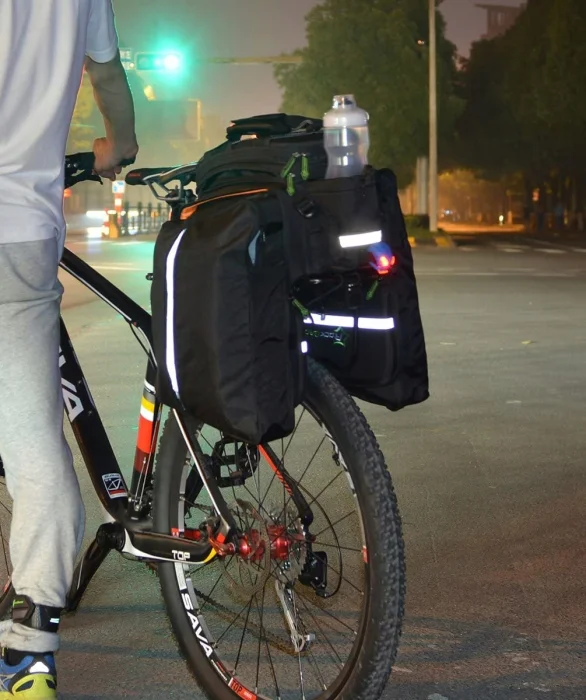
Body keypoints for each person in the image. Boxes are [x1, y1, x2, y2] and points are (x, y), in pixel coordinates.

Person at [0, 1, 138, 696]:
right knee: (34, 442)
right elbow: (108, 78)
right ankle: (29, 652)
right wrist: (118, 146)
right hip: (24, 229)